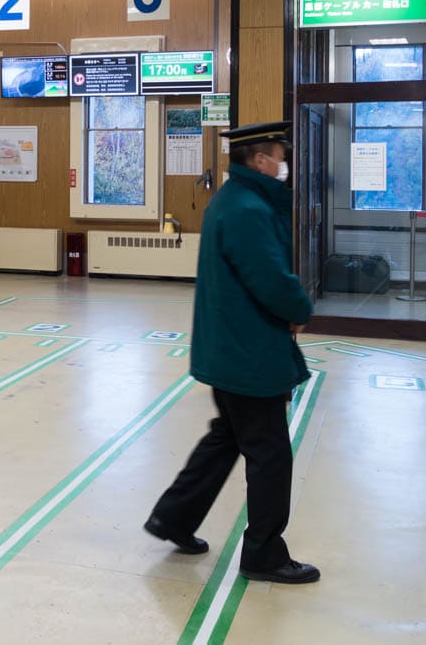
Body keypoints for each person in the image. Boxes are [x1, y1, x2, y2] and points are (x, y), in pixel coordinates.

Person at [144, 121, 319, 584]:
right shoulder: (246, 208)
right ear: (260, 160)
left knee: (227, 437)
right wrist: (299, 306)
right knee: (269, 453)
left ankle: (174, 518)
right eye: (278, 155)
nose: (283, 164)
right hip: (249, 354)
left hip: (230, 349)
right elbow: (269, 277)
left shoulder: (233, 200)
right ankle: (263, 553)